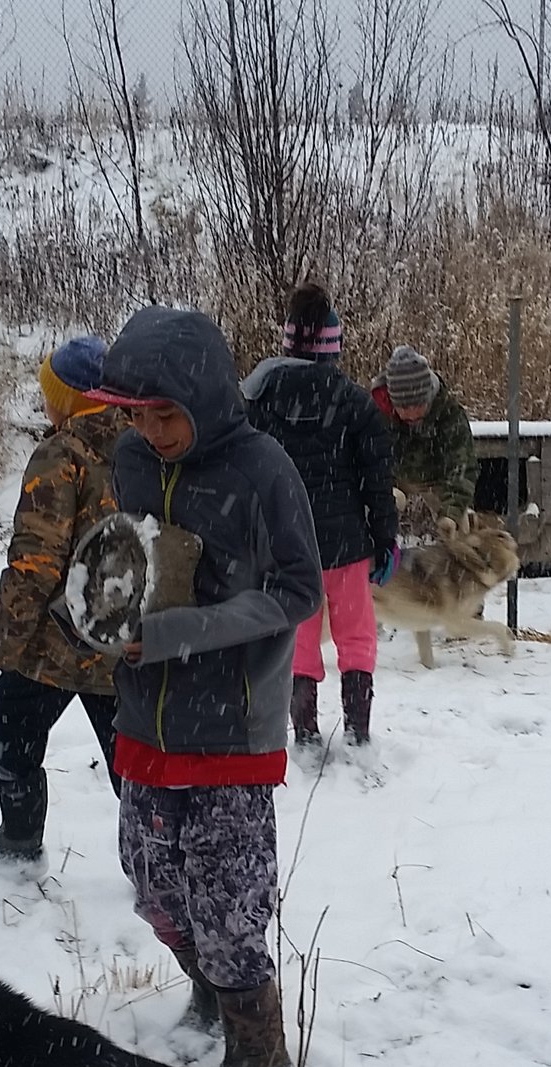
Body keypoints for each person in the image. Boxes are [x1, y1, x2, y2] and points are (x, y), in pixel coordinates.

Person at [83, 305, 323, 1067]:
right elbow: (128, 553)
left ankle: (256, 1049)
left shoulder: (262, 470)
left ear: (206, 398)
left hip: (230, 729)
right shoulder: (130, 459)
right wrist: (97, 608)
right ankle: (210, 991)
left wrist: (180, 631)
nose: (152, 431)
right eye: (139, 416)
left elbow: (297, 591)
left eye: (166, 414)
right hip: (143, 720)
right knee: (154, 888)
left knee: (227, 907)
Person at [0, 335, 124, 868]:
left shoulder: (62, 452)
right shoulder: (141, 443)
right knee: (134, 752)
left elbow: (37, 557)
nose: (45, 403)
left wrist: (9, 636)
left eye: (49, 393)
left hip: (62, 636)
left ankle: (19, 838)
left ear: (69, 397)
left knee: (9, 721)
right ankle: (155, 857)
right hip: (128, 635)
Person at [242, 283, 397, 753]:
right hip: (348, 544)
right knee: (356, 636)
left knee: (301, 641)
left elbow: (248, 476)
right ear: (334, 348)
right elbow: (377, 482)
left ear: (287, 343)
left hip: (289, 547)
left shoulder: (259, 399)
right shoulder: (354, 404)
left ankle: (305, 735)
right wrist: (384, 540)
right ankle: (358, 731)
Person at [371, 345, 479, 531]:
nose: (412, 414)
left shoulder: (449, 413)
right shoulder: (377, 413)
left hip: (438, 476)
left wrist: (451, 513)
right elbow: (369, 460)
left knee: (461, 526)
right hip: (395, 476)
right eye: (404, 407)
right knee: (381, 511)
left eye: (419, 405)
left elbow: (462, 467)